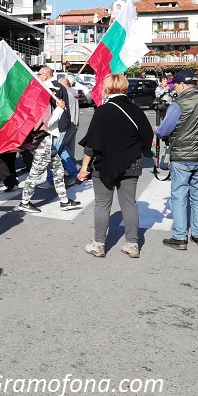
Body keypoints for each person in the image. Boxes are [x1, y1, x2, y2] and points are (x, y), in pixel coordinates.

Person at [78, 74, 154, 258]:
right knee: (129, 204)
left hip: (104, 164)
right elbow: (148, 137)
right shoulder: (136, 110)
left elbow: (92, 144)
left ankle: (99, 244)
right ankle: (132, 244)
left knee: (102, 204)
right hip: (131, 163)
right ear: (125, 88)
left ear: (107, 88)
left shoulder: (102, 111)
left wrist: (83, 167)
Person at [155, 70, 198, 250]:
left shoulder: (179, 103)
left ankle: (180, 237)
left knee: (179, 195)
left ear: (181, 85)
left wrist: (157, 130)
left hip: (183, 155)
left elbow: (164, 130)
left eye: (176, 86)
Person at [18, 70, 81, 214]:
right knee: (36, 172)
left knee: (58, 170)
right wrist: (59, 110)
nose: (53, 93)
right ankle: (24, 202)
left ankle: (64, 201)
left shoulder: (39, 101)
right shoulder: (39, 103)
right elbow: (47, 123)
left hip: (46, 140)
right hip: (42, 141)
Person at [57, 77, 80, 184]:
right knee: (68, 147)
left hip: (68, 124)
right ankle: (73, 165)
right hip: (74, 123)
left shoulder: (66, 94)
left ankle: (72, 168)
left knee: (61, 147)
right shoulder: (73, 93)